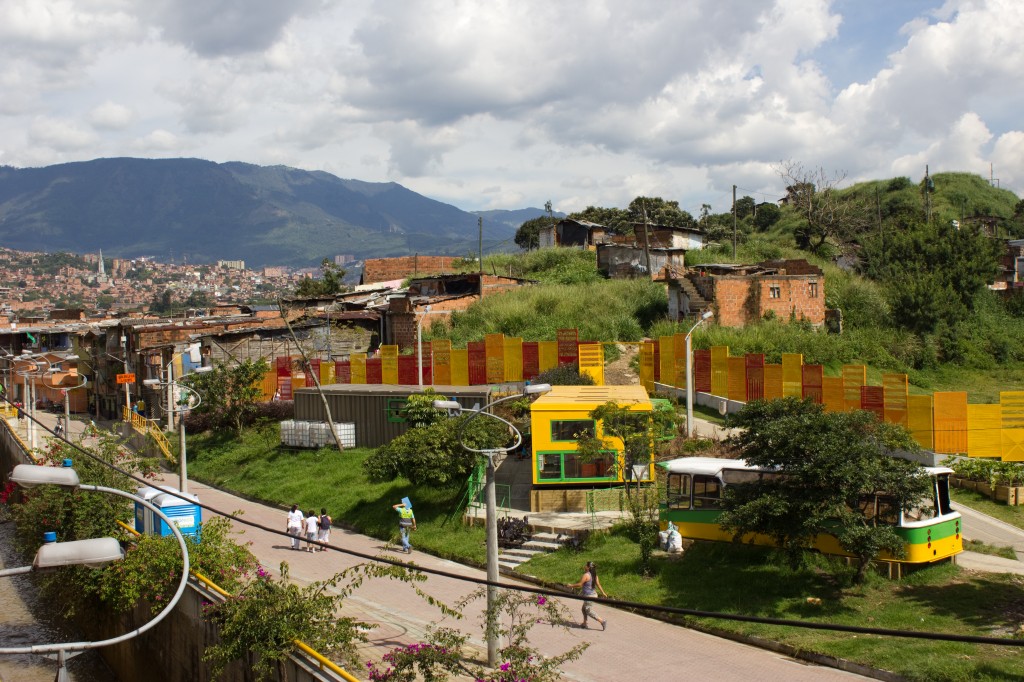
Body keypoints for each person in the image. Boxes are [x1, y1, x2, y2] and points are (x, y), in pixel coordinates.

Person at [567, 561, 608, 630]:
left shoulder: (586, 575)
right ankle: (584, 623)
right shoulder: (595, 575)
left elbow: (580, 584)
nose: (584, 566)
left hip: (589, 596)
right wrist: (603, 592)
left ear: (588, 567)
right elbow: (598, 584)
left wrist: (570, 585)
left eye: (586, 565)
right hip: (593, 595)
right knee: (583, 609)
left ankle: (602, 621)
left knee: (588, 610)